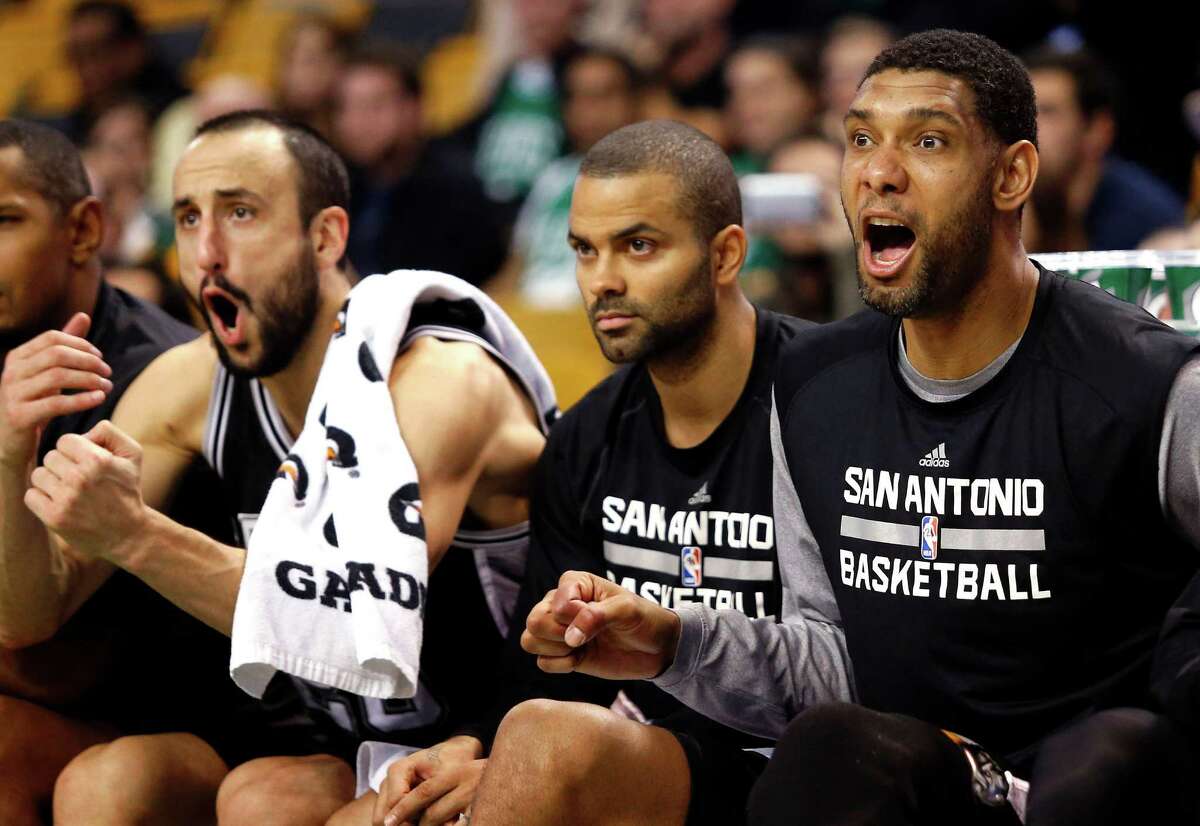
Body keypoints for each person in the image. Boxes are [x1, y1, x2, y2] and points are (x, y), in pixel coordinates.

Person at [517, 29, 1200, 825]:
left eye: (930, 141)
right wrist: (676, 641)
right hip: (924, 782)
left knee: (1108, 760)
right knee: (832, 748)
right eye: (861, 139)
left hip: (1103, 788)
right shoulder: (811, 387)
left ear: (1011, 175)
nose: (879, 172)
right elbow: (827, 663)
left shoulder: (1148, 384)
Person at [14, 110, 550, 825]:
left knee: (270, 808)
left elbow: (358, 624)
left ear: (324, 237)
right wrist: (7, 450)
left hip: (492, 733)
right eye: (188, 219)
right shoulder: (190, 383)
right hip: (343, 744)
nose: (207, 252)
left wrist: (137, 535)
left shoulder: (440, 382)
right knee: (118, 784)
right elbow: (27, 613)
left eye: (240, 213)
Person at [380, 120, 851, 826]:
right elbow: (537, 669)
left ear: (725, 255)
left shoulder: (835, 404)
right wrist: (467, 746)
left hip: (796, 765)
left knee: (548, 743)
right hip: (645, 754)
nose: (602, 280)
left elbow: (876, 662)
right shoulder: (585, 437)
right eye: (584, 250)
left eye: (638, 246)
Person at [0, 119, 241, 826]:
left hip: (167, 719)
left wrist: (9, 451)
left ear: (83, 230)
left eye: (4, 220)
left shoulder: (149, 374)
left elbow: (40, 638)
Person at [333, 45, 508, 285]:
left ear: (413, 109)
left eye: (374, 106)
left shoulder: (454, 191)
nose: (356, 122)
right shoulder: (339, 186)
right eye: (346, 107)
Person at [499, 44, 643, 308]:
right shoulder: (553, 177)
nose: (587, 110)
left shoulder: (653, 180)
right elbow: (516, 269)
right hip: (531, 321)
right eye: (577, 97)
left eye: (602, 96)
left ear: (634, 101)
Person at [1025, 47, 1185, 252]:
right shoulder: (1006, 203)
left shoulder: (1145, 222)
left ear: (1098, 131)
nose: (1025, 126)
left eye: (1047, 112)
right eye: (1022, 110)